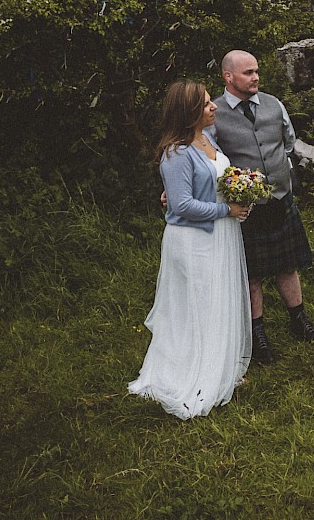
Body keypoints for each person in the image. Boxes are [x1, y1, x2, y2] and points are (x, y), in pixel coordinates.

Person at [129, 80, 253, 419]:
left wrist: (241, 192)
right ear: (189, 112)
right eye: (205, 104)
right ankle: (190, 373)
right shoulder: (176, 153)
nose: (213, 106)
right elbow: (182, 205)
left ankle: (219, 364)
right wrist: (227, 210)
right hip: (194, 239)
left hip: (219, 235)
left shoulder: (207, 138)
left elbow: (208, 182)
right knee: (197, 305)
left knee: (216, 300)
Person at [213, 49, 314, 364]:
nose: (255, 77)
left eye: (256, 71)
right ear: (228, 77)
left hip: (281, 197)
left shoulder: (274, 104)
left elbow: (288, 142)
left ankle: (299, 319)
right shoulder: (213, 114)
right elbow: (211, 161)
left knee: (288, 264)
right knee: (252, 274)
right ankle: (258, 335)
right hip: (246, 208)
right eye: (247, 72)